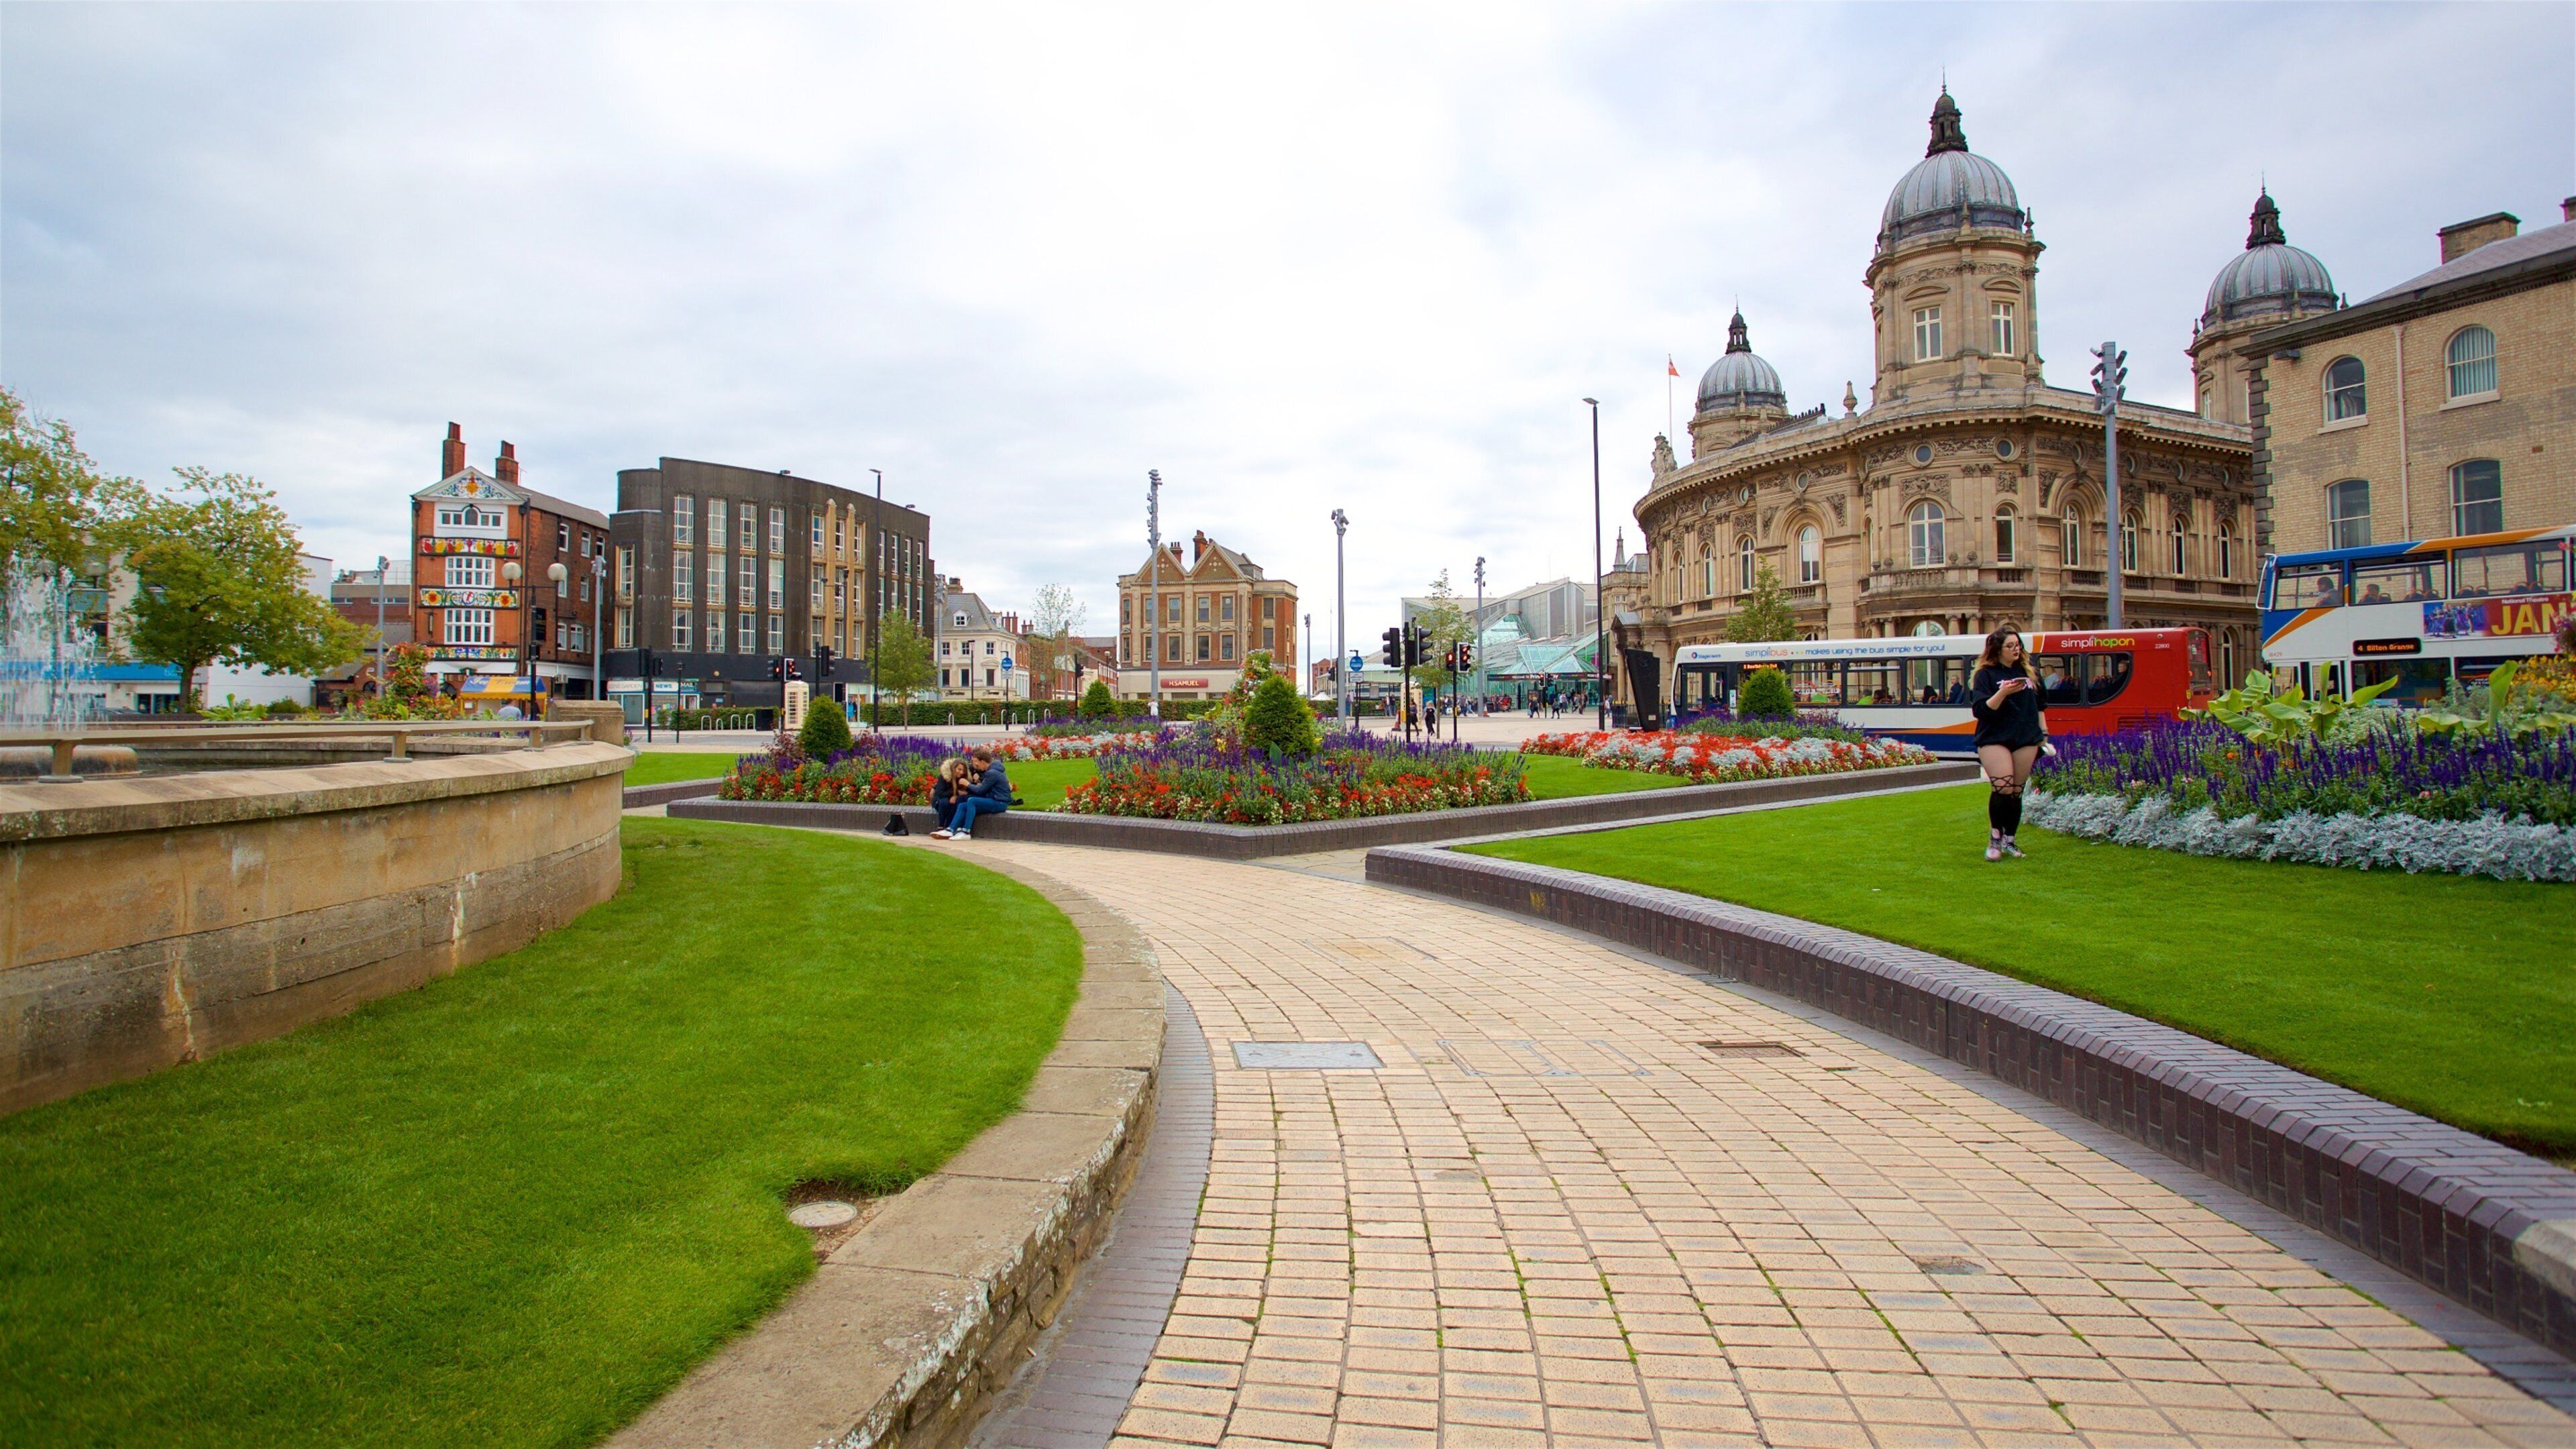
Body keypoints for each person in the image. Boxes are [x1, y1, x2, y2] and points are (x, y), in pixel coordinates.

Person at [1969, 626, 2048, 863]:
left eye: (2018, 645)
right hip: (1994, 736)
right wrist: (2003, 692)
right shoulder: (1986, 674)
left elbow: (2041, 705)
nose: (2016, 650)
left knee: (2016, 792)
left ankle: (2010, 840)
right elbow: (1981, 710)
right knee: (2003, 787)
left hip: (2025, 736)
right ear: (1998, 649)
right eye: (2010, 646)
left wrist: (2043, 732)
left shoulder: (2029, 671)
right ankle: (1995, 837)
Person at [942, 746, 1012, 840]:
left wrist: (967, 784)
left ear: (983, 761)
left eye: (976, 761)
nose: (975, 764)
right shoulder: (991, 771)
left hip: (1000, 803)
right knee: (963, 806)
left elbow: (980, 791)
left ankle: (966, 831)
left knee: (972, 801)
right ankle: (950, 829)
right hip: (993, 800)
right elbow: (984, 789)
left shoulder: (992, 773)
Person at [927, 756, 970, 838]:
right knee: (945, 802)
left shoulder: (963, 779)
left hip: (952, 800)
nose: (961, 772)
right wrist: (955, 793)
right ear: (954, 768)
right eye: (959, 769)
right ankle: (941, 826)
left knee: (958, 802)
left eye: (963, 770)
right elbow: (940, 793)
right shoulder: (944, 777)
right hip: (939, 800)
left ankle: (950, 827)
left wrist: (956, 796)